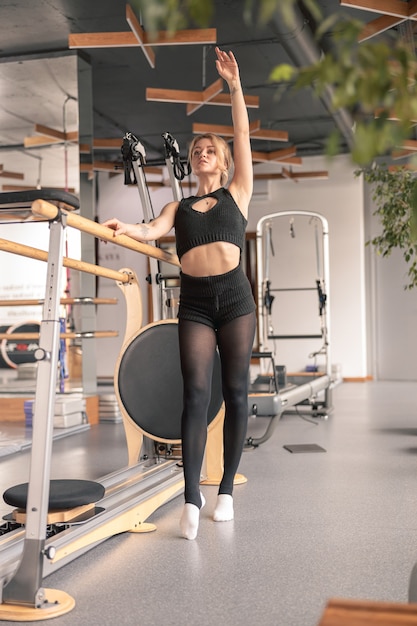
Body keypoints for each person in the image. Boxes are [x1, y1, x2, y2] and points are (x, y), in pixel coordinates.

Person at [103, 47, 256, 540]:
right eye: (196, 150)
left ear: (225, 161)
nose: (201, 153)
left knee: (235, 393)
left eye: (209, 149)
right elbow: (150, 231)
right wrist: (124, 227)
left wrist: (233, 86)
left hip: (235, 301)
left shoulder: (239, 193)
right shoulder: (178, 205)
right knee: (194, 394)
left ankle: (226, 490)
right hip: (194, 302)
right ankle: (192, 497)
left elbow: (242, 134)